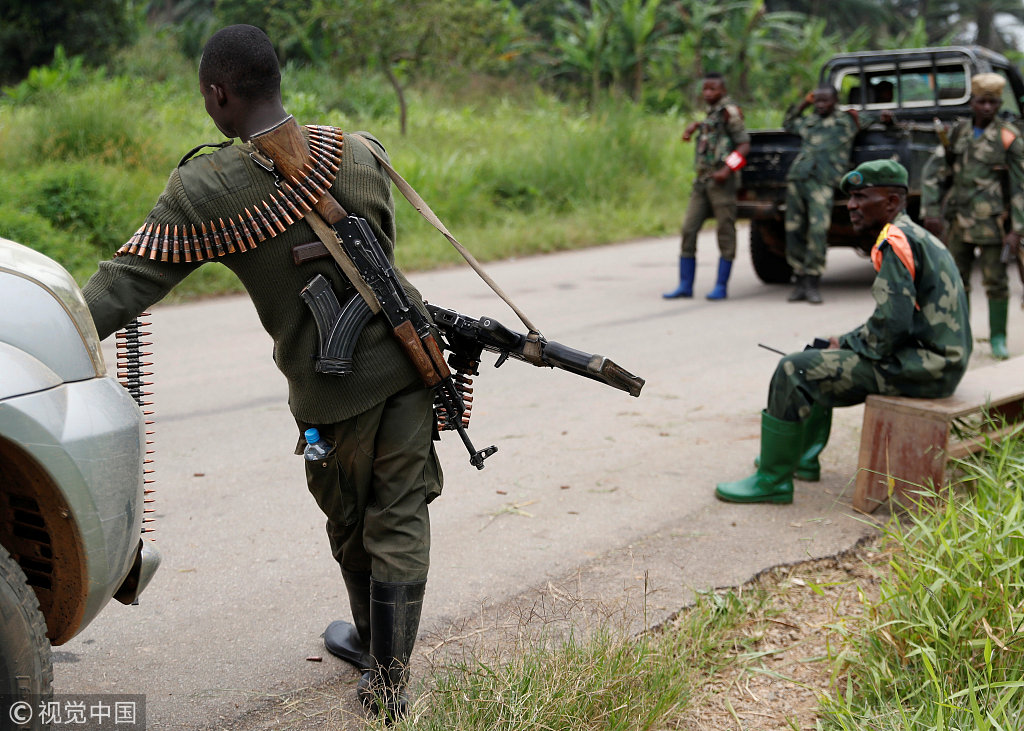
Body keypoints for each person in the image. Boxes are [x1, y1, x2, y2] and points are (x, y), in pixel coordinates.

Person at [80, 25, 439, 721]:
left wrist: (42, 337)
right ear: (276, 79)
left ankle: (379, 656)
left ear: (218, 95)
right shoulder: (359, 151)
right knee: (399, 515)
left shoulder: (208, 189)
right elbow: (386, 260)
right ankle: (389, 677)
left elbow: (122, 286)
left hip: (328, 398)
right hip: (410, 369)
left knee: (347, 518)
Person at [715, 160, 971, 504]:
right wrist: (844, 342)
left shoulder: (894, 242)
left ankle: (772, 479)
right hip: (938, 361)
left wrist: (847, 344)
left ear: (892, 202)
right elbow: (893, 320)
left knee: (794, 369)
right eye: (850, 198)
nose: (851, 205)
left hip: (927, 370)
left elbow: (890, 329)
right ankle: (802, 461)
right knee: (821, 354)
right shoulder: (915, 235)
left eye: (862, 197)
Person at [921, 72, 1024, 360]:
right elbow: (935, 171)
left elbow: (1020, 185)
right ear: (973, 103)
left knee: (996, 281)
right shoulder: (958, 133)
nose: (987, 108)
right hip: (957, 219)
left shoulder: (1008, 137)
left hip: (993, 223)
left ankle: (998, 339)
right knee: (955, 280)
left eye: (992, 102)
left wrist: (1018, 229)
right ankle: (959, 338)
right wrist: (930, 212)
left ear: (999, 103)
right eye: (982, 102)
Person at [782, 86, 890, 304]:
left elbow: (878, 119)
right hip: (798, 178)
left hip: (823, 181)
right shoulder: (809, 122)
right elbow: (788, 122)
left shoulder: (848, 121)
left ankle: (812, 280)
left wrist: (886, 118)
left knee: (818, 230)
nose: (820, 105)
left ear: (835, 101)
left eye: (825, 101)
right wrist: (804, 102)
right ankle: (800, 279)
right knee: (793, 230)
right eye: (817, 101)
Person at [663, 71, 750, 301]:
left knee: (725, 231)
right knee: (688, 229)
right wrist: (695, 127)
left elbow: (743, 147)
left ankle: (721, 286)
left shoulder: (729, 112)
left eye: (713, 89)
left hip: (723, 182)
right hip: (702, 181)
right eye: (705, 89)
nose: (708, 93)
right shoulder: (712, 113)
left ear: (723, 90)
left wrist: (727, 170)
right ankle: (685, 285)